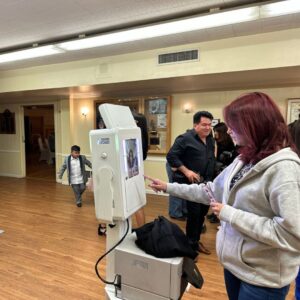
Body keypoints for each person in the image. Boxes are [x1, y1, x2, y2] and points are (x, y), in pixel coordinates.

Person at [147, 92, 300, 300]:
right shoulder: (243, 160)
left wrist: (230, 214)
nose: (228, 130)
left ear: (253, 126)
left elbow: (292, 234)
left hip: (262, 278)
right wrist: (168, 187)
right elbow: (209, 190)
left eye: (233, 125)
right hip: (234, 266)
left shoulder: (284, 170)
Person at [166, 111, 216, 255]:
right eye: (204, 125)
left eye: (209, 125)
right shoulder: (184, 139)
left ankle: (195, 240)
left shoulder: (210, 140)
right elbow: (171, 156)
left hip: (207, 184)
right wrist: (186, 171)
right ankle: (190, 247)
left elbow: (210, 158)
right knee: (194, 215)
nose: (207, 128)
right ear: (195, 125)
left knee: (202, 214)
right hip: (192, 184)